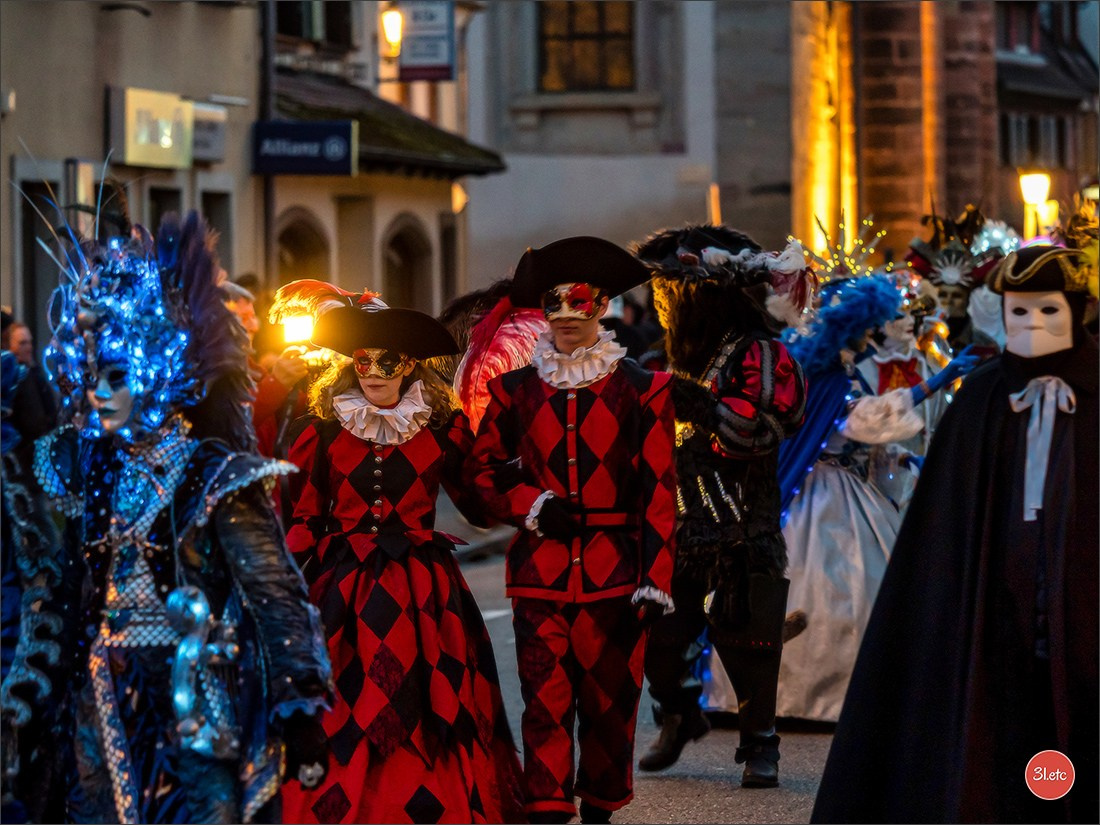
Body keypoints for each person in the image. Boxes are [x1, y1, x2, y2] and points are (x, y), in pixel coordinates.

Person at [0, 212, 334, 824]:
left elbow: (272, 590)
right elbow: (54, 598)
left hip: (193, 700)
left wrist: (300, 704)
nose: (97, 392)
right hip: (98, 700)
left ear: (156, 372)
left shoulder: (213, 475)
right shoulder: (80, 474)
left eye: (115, 376)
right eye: (90, 376)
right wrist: (24, 703)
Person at [812, 241, 1098, 823]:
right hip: (997, 598)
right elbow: (945, 525)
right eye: (1020, 311)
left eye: (1049, 310)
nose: (1033, 324)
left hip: (1085, 598)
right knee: (1003, 713)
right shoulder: (985, 398)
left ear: (1077, 312)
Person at [277, 284, 524, 825]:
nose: (373, 372)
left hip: (425, 596)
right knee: (345, 701)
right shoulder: (320, 432)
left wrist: (523, 484)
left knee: (431, 703)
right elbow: (303, 519)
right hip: (343, 591)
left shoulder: (442, 428)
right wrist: (285, 583)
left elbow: (479, 499)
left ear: (411, 365)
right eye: (363, 360)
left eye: (387, 362)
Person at [466, 236, 677, 824]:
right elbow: (480, 473)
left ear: (601, 306)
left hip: (617, 572)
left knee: (609, 705)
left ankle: (601, 805)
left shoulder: (644, 390)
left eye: (577, 304)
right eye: (552, 306)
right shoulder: (514, 391)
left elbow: (661, 491)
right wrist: (531, 503)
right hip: (540, 572)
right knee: (545, 701)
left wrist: (655, 579)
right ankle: (548, 804)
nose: (563, 319)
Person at [631, 225, 810, 788]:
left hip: (741, 525)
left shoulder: (761, 354)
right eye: (660, 296)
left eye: (673, 295)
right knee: (656, 640)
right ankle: (680, 713)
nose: (665, 307)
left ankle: (762, 746)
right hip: (672, 527)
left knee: (749, 641)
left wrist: (686, 399)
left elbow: (753, 433)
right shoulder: (659, 356)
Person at [774, 274, 977, 723]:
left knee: (871, 587)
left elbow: (869, 439)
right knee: (839, 585)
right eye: (870, 327)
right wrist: (939, 379)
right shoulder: (827, 380)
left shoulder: (838, 375)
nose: (874, 335)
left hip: (849, 489)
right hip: (824, 496)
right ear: (850, 327)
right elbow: (866, 423)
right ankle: (815, 697)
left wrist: (906, 460)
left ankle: (851, 695)